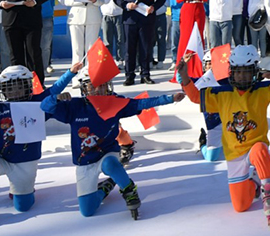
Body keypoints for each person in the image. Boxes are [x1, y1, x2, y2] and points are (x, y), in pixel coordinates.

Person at [178, 45, 270, 228]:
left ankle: (268, 191)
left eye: (246, 72)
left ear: (254, 72)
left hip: (256, 146)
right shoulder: (221, 93)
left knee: (259, 149)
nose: (242, 76)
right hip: (234, 154)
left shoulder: (261, 90)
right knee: (240, 207)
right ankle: (257, 179)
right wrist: (184, 77)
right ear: (231, 72)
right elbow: (194, 96)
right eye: (238, 72)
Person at [42, 70, 182, 219]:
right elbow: (45, 107)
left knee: (110, 163)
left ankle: (129, 190)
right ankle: (105, 187)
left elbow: (142, 103)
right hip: (85, 161)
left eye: (102, 85)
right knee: (87, 211)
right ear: (84, 88)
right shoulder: (74, 106)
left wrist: (170, 98)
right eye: (92, 86)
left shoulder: (114, 102)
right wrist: (54, 98)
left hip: (107, 153)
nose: (98, 89)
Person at [0, 63, 78, 228]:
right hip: (0, 157)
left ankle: (20, 189)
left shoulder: (37, 103)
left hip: (25, 162)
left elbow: (54, 89)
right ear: (3, 90)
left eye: (19, 87)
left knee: (23, 207)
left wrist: (70, 73)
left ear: (28, 87)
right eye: (10, 88)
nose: (15, 92)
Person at [113, 0, 167, 86]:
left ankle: (145, 74)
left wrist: (153, 7)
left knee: (146, 47)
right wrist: (126, 5)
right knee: (129, 49)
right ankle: (129, 75)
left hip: (146, 19)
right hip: (130, 19)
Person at [63, 0, 107, 66]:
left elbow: (102, 1)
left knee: (91, 47)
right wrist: (80, 0)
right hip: (76, 17)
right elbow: (67, 1)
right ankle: (76, 77)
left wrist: (94, 0)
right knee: (77, 48)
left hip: (93, 17)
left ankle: (89, 75)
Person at [175, 0, 209, 78]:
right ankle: (182, 69)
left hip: (198, 9)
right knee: (185, 38)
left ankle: (197, 69)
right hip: (186, 10)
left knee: (198, 37)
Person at [100, 0, 125, 64]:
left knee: (120, 39)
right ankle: (108, 61)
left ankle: (120, 60)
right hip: (106, 16)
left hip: (119, 15)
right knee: (107, 40)